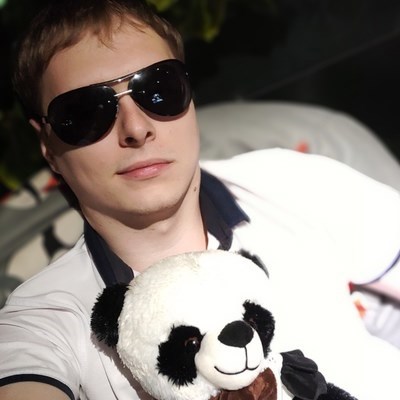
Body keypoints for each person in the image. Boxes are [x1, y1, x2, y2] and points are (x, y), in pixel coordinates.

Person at [1, 0, 400, 399]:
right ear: (47, 145)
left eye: (159, 89)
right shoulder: (44, 321)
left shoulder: (292, 183)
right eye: (86, 112)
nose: (136, 128)